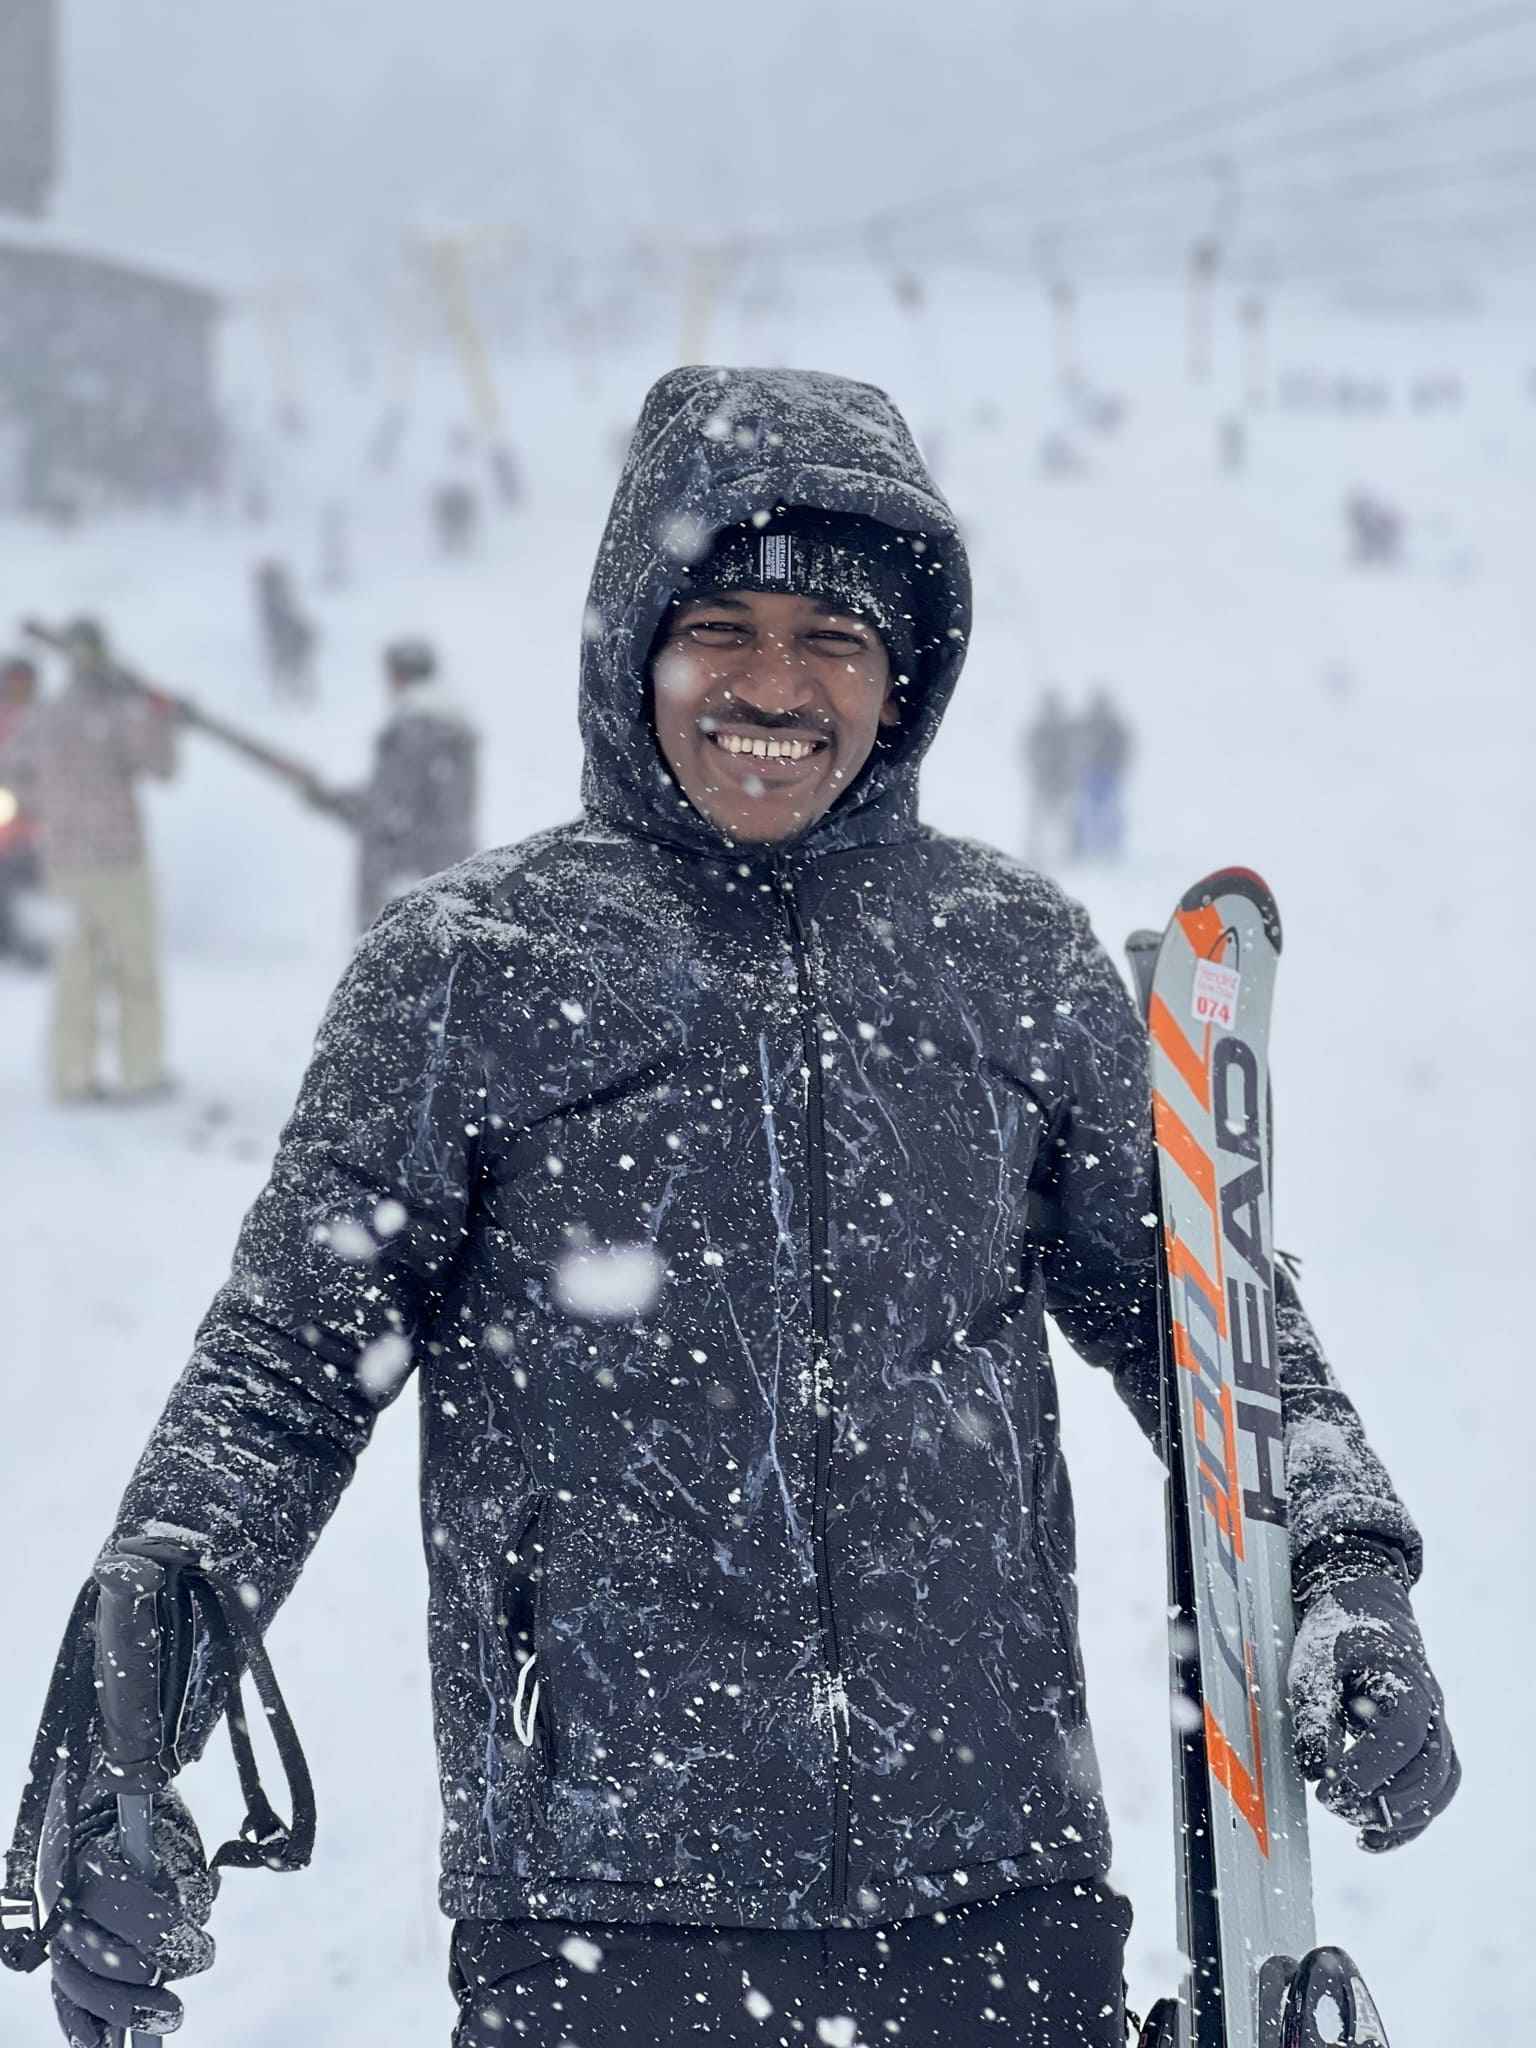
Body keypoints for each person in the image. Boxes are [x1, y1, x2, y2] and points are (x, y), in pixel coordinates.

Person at [5, 370, 1457, 2048]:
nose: (775, 687)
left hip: (993, 1892)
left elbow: (1212, 1329)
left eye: (832, 639)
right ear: (635, 642)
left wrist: (1347, 1571)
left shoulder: (1012, 961)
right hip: (604, 1909)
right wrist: (123, 1744)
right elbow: (277, 1376)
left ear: (904, 673)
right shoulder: (475, 972)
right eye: (723, 626)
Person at [0, 619, 180, 1102]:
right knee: (134, 973)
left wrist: (51, 806)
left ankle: (72, 1077)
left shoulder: (44, 718)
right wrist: (160, 717)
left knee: (73, 974)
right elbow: (163, 768)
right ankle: (140, 1072)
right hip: (121, 862)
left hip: (64, 864)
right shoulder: (121, 713)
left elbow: (12, 779)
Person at [321, 638, 480, 931]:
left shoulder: (415, 726)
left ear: (398, 675)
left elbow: (393, 808)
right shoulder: (455, 726)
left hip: (407, 879)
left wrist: (339, 802)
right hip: (452, 872)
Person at [0, 654, 47, 967]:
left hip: (36, 817)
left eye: (24, 682)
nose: (19, 687)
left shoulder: (45, 718)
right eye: (14, 682)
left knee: (32, 881)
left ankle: (33, 943)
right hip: (7, 809)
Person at [1072, 686, 1134, 862]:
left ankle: (1109, 846)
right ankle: (1089, 847)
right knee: (1089, 813)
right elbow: (1076, 747)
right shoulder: (1088, 724)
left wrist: (1119, 766)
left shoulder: (1111, 725)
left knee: (1108, 813)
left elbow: (1123, 747)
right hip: (1092, 773)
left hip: (1107, 773)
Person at [1019, 686, 1075, 867]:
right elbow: (1028, 751)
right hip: (1043, 780)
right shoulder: (1041, 729)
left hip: (1059, 781)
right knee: (1039, 821)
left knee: (1061, 819)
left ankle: (1066, 852)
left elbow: (1072, 756)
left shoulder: (1064, 731)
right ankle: (1036, 853)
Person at [253, 557, 319, 698]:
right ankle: (286, 694)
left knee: (291, 668)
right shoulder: (275, 606)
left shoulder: (279, 607)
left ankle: (292, 694)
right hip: (286, 639)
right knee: (289, 668)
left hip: (289, 640)